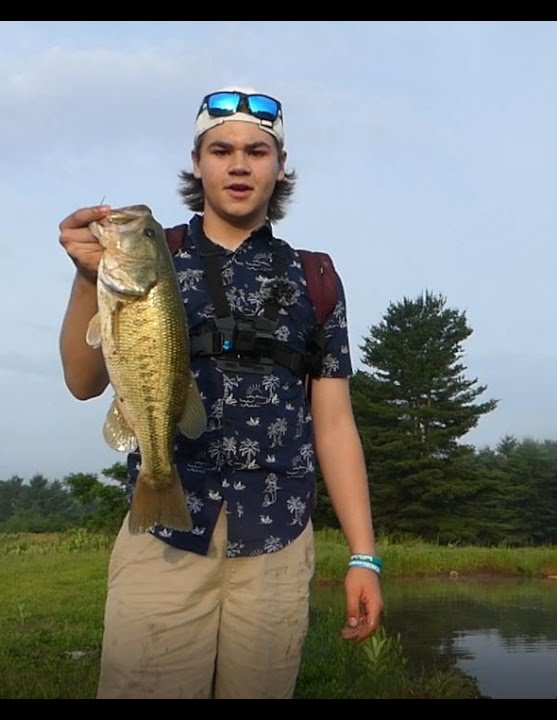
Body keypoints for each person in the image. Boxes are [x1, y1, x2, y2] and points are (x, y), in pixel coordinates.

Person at [56, 86, 383, 699]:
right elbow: (82, 382)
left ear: (279, 166)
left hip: (278, 540)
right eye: (222, 149)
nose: (239, 164)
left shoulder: (315, 275)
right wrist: (85, 279)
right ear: (198, 162)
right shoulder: (152, 253)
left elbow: (334, 424)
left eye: (257, 151)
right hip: (162, 539)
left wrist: (363, 556)